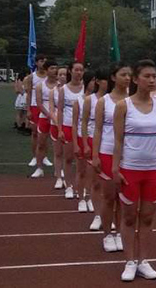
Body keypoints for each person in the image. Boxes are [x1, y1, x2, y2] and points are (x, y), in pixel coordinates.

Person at [113, 60, 156, 281]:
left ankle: (143, 261)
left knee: (147, 218)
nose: (152, 79)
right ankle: (129, 261)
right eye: (147, 76)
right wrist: (116, 169)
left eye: (154, 76)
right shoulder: (123, 106)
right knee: (128, 217)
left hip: (153, 170)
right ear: (135, 80)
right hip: (130, 169)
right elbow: (118, 140)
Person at [92, 64, 131, 253]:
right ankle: (107, 234)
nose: (127, 78)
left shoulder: (133, 100)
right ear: (113, 77)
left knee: (124, 198)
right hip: (107, 152)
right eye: (123, 75)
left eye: (130, 75)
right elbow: (97, 129)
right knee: (109, 197)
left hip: (129, 155)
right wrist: (95, 155)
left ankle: (120, 233)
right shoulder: (104, 102)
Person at [81, 69, 109, 231]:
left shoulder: (117, 100)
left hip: (112, 145)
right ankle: (98, 215)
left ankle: (109, 215)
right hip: (94, 141)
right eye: (104, 80)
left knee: (111, 186)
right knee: (96, 181)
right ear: (98, 81)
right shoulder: (89, 100)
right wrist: (85, 143)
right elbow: (84, 123)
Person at [58, 62, 85, 202]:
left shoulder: (86, 88)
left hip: (83, 128)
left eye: (81, 70)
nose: (79, 73)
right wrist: (60, 129)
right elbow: (60, 109)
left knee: (83, 161)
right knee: (68, 158)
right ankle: (68, 185)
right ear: (71, 71)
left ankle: (82, 186)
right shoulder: (64, 89)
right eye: (76, 70)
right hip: (68, 126)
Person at [31, 60, 58, 179]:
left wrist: (54, 116)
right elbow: (39, 102)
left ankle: (59, 169)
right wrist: (47, 114)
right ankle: (39, 168)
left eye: (55, 68)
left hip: (57, 117)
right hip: (44, 116)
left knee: (58, 146)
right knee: (41, 143)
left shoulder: (61, 85)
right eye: (52, 68)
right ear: (46, 70)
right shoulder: (39, 86)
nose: (54, 70)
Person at [72, 70, 95, 213]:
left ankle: (91, 198)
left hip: (96, 138)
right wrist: (75, 143)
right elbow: (75, 124)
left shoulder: (100, 100)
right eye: (93, 80)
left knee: (93, 172)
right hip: (82, 137)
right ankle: (81, 198)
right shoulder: (79, 100)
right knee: (81, 170)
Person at [26, 55, 52, 167]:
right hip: (34, 106)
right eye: (41, 61)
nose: (43, 63)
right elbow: (29, 94)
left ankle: (44, 156)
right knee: (35, 133)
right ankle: (35, 157)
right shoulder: (32, 77)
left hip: (46, 106)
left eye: (45, 61)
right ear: (36, 63)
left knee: (45, 134)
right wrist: (28, 109)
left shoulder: (49, 77)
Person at [50, 66, 67, 193]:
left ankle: (67, 177)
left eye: (65, 74)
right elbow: (51, 110)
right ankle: (59, 177)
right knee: (58, 152)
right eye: (60, 74)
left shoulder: (75, 90)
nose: (62, 76)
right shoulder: (53, 91)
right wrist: (58, 124)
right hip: (56, 124)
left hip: (69, 124)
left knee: (69, 154)